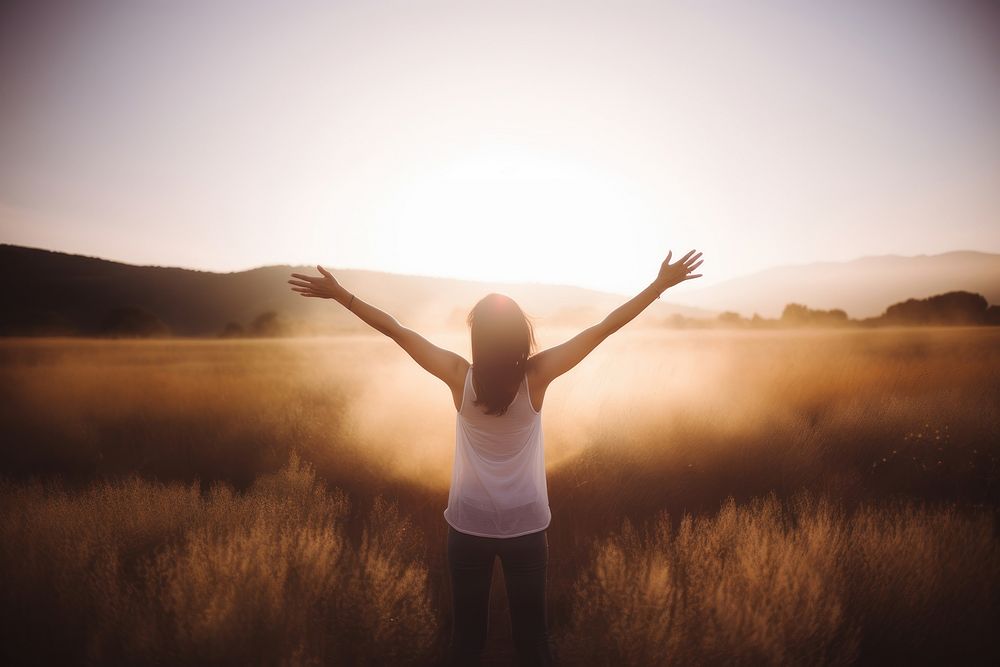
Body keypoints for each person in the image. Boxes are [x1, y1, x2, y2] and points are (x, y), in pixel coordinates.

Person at [288, 249, 704, 666]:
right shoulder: (538, 377)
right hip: (526, 527)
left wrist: (342, 295)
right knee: (534, 640)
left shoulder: (457, 376)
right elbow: (602, 329)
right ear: (520, 336)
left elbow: (397, 330)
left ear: (478, 338)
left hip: (468, 526)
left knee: (467, 642)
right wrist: (657, 287)